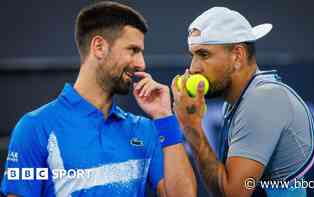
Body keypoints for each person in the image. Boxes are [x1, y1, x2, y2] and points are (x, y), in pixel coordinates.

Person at [0, 1, 196, 196]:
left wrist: (164, 116)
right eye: (133, 50)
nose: (141, 64)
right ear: (99, 47)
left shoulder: (145, 130)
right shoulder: (34, 127)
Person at [171, 7, 314, 197]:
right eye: (193, 55)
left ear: (237, 56)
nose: (193, 68)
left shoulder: (263, 100)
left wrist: (191, 125)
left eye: (204, 54)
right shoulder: (238, 102)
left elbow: (232, 194)